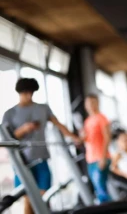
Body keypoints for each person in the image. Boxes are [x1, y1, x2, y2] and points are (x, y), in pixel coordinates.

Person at [1, 78, 80, 214]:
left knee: (44, 196)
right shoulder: (10, 114)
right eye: (26, 93)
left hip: (41, 158)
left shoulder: (43, 108)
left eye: (31, 92)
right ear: (19, 92)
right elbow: (6, 138)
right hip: (22, 161)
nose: (29, 96)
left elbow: (58, 124)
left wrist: (74, 138)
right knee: (28, 198)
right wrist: (24, 129)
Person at [81, 94, 112, 204]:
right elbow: (86, 140)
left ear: (97, 103)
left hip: (101, 157)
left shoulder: (102, 118)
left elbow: (108, 138)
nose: (91, 105)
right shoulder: (87, 121)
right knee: (98, 190)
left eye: (93, 102)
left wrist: (103, 158)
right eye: (88, 103)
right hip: (90, 158)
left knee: (101, 190)